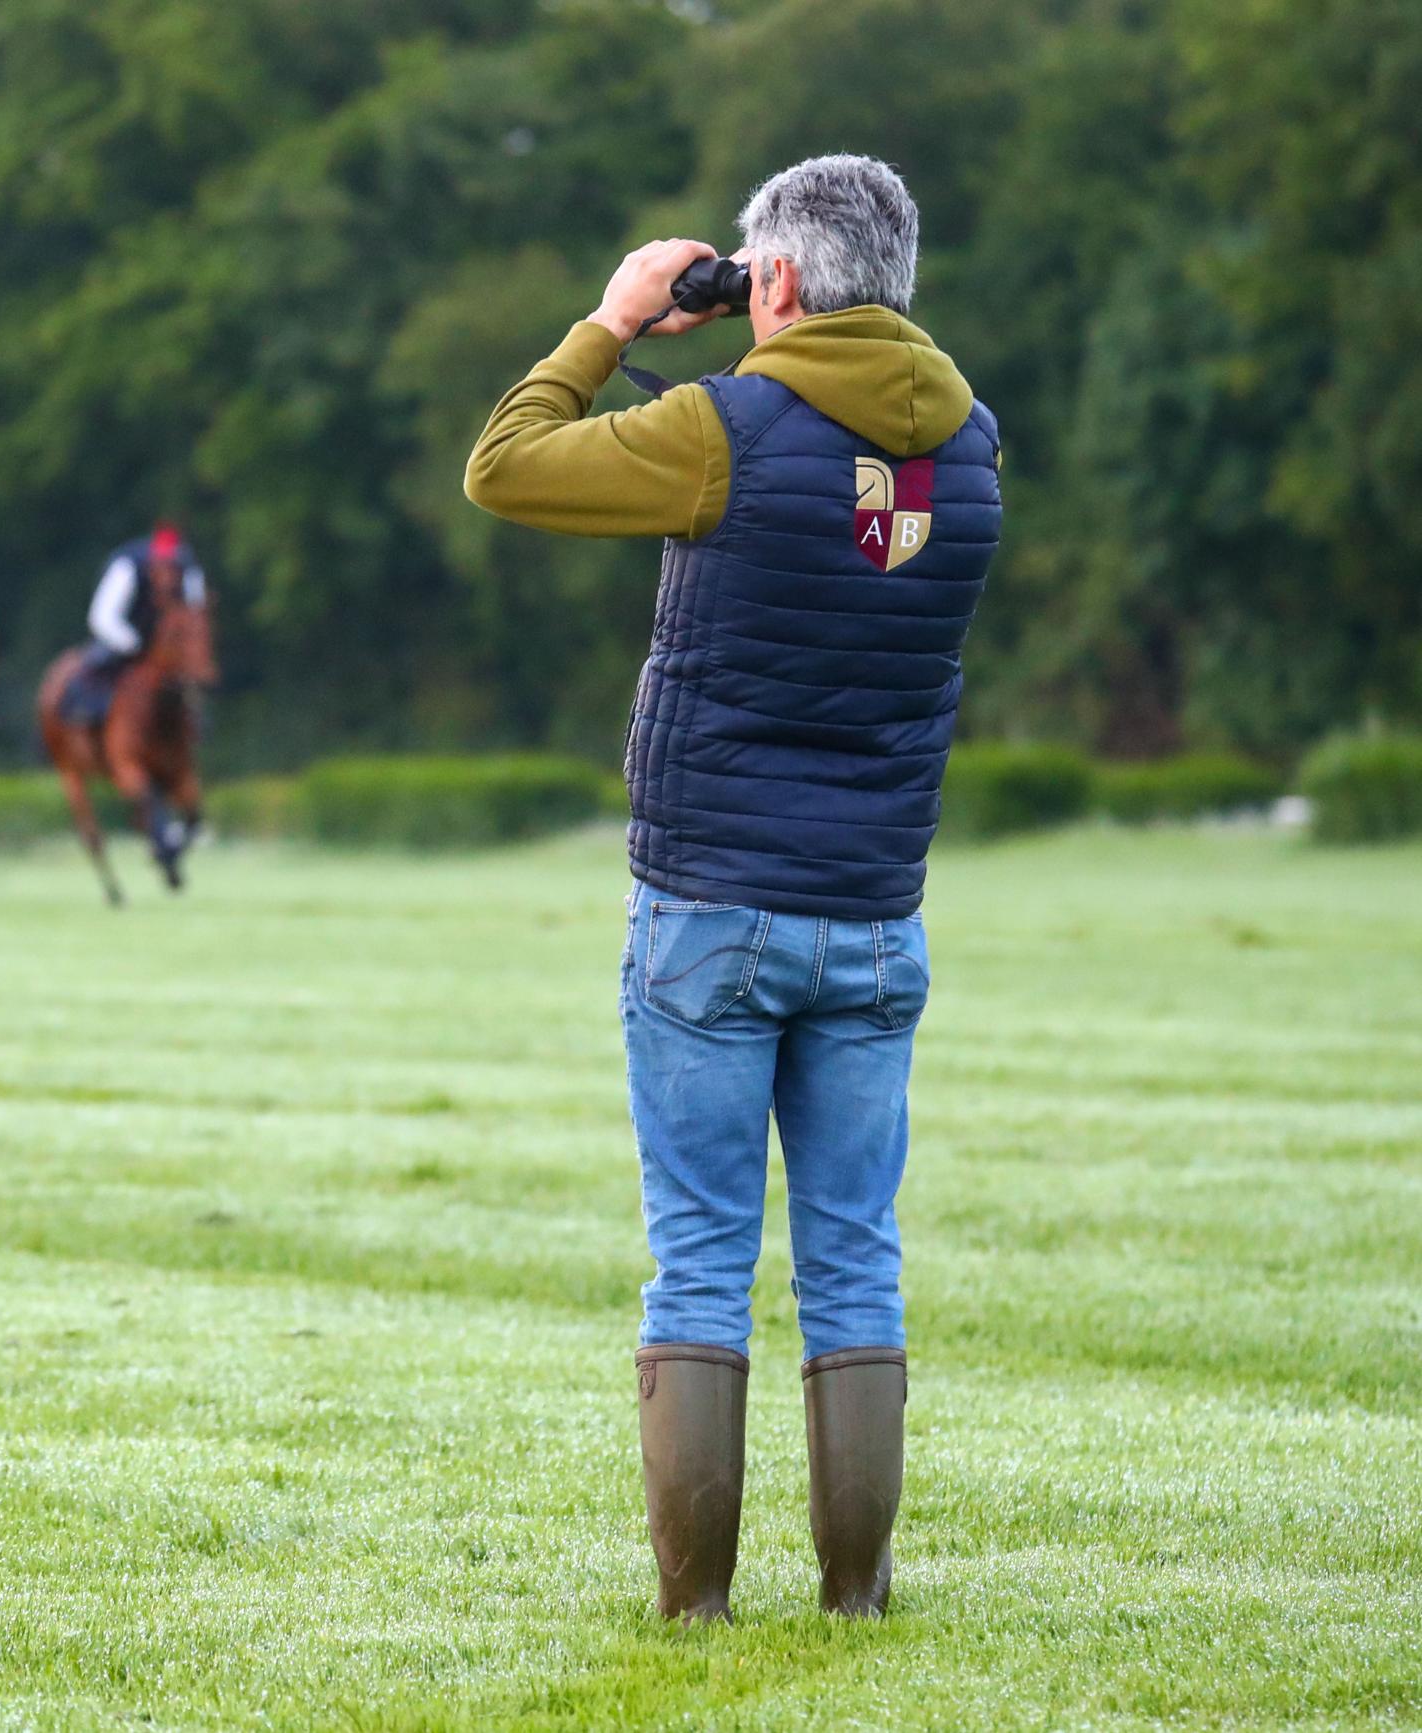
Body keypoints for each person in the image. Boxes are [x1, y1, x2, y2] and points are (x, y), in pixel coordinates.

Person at [463, 156, 1001, 1624]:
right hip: (877, 916)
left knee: (700, 1260)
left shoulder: (721, 429)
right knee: (854, 1261)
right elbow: (854, 532)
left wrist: (613, 319)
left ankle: (697, 1608)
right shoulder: (963, 448)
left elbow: (507, 464)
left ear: (770, 282)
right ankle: (857, 1597)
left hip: (711, 908)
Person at [61, 523, 207, 725]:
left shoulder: (188, 570)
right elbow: (102, 617)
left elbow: (195, 617)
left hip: (166, 644)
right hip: (127, 637)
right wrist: (133, 644)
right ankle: (84, 713)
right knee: (96, 666)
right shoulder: (127, 567)